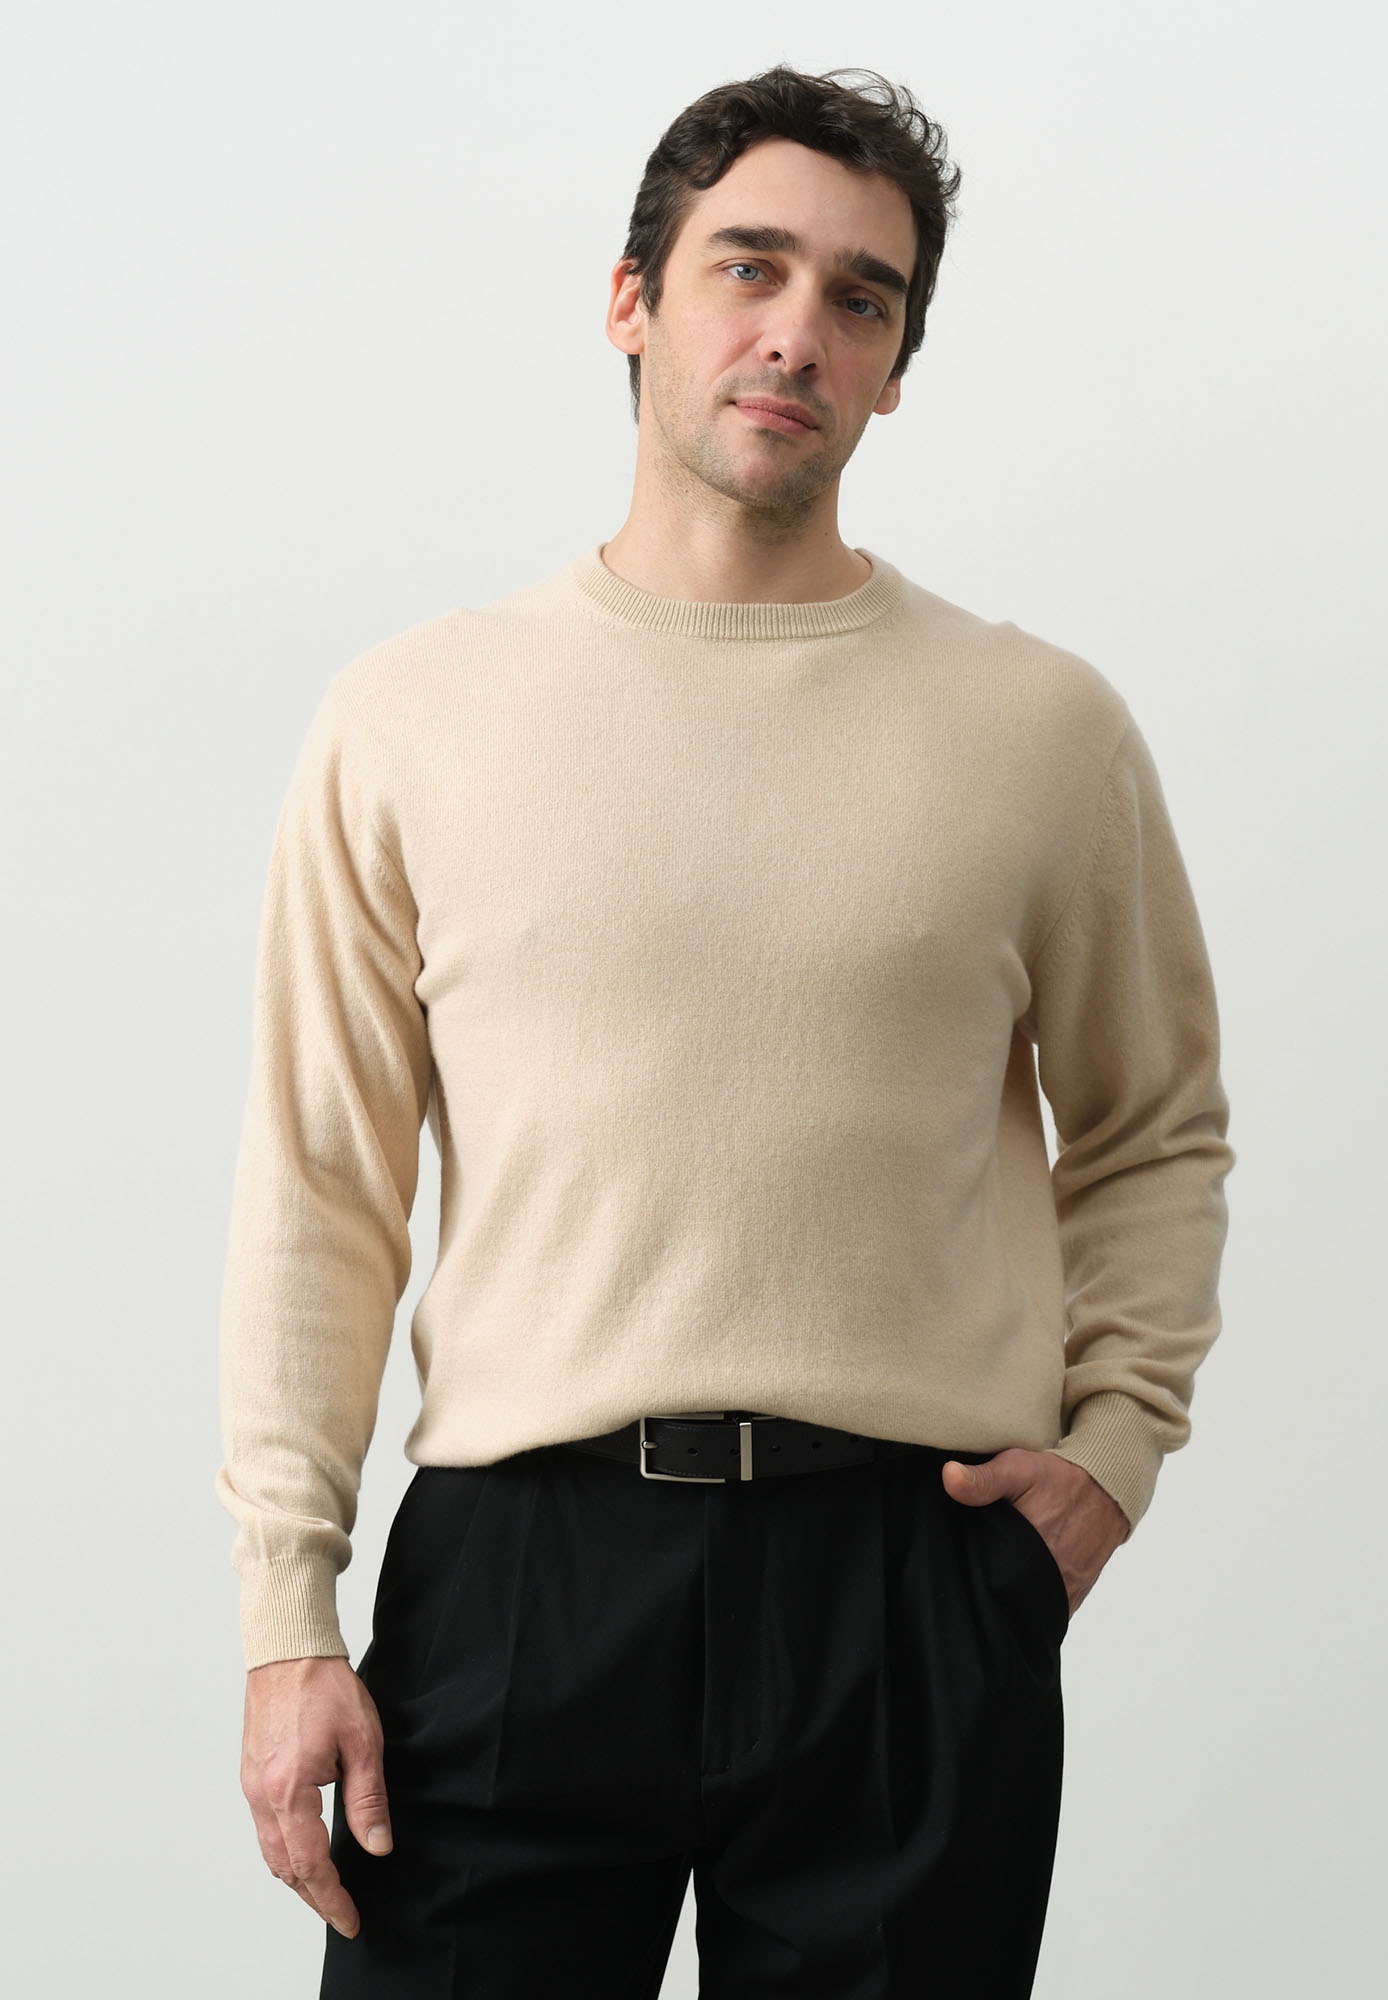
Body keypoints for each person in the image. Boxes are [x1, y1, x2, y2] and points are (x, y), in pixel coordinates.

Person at [217, 64, 1234, 1999]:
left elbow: (1154, 1132)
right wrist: (288, 1615)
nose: (798, 333)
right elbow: (321, 1185)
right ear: (632, 299)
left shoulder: (1041, 731)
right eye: (748, 268)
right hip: (519, 1576)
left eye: (862, 297)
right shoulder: (413, 717)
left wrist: (1113, 1453)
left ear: (898, 368)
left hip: (908, 1576)